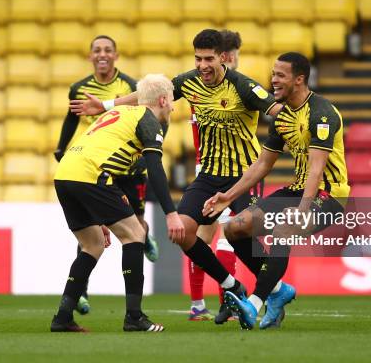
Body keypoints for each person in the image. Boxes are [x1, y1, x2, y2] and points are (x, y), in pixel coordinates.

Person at [70, 29, 296, 326]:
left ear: (222, 58)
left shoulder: (242, 86)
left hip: (243, 175)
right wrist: (106, 106)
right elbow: (149, 96)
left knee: (242, 234)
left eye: (209, 59)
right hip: (208, 175)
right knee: (183, 232)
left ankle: (270, 290)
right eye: (198, 58)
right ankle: (239, 287)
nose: (202, 65)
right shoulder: (190, 81)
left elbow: (278, 111)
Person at [202, 52, 350, 330]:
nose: (273, 81)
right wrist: (228, 196)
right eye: (273, 74)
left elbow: (317, 171)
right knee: (236, 227)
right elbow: (262, 165)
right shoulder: (282, 117)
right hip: (299, 189)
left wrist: (301, 211)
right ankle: (278, 290)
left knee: (284, 229)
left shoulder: (322, 113)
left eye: (280, 75)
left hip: (329, 195)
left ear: (299, 79)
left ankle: (255, 303)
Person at [51, 74, 184, 333]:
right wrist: (171, 212)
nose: (173, 107)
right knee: (135, 234)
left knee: (92, 244)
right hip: (90, 175)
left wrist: (99, 213)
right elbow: (155, 170)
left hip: (65, 174)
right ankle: (134, 317)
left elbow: (104, 154)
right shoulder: (148, 121)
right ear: (162, 99)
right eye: (170, 102)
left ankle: (63, 317)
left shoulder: (121, 113)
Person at [54, 35, 159, 315]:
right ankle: (86, 294)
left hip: (127, 168)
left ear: (116, 55)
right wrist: (60, 148)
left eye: (107, 50)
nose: (102, 54)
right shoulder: (79, 88)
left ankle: (68, 308)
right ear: (90, 56)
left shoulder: (129, 85)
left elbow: (140, 121)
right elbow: (71, 118)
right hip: (96, 166)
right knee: (100, 235)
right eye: (97, 50)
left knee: (133, 227)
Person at [187, 29, 242, 322]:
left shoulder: (196, 86)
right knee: (227, 237)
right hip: (226, 170)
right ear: (229, 56)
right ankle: (228, 305)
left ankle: (197, 304)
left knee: (201, 236)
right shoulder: (227, 89)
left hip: (203, 168)